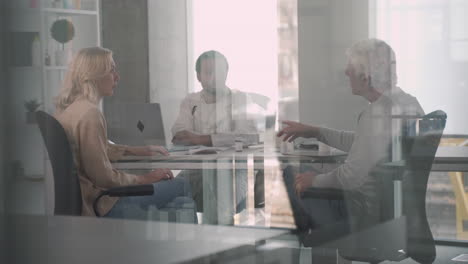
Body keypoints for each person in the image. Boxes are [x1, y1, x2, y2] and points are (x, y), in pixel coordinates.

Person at [278, 39, 424, 232]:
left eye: (350, 67)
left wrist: (313, 180)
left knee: (291, 174)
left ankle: (304, 248)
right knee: (304, 174)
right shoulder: (407, 103)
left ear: (366, 75)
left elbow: (351, 177)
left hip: (363, 214)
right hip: (391, 211)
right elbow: (365, 144)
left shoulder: (378, 113)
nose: (346, 72)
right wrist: (315, 131)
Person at [54, 47, 193, 219]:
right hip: (103, 204)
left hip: (89, 201)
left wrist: (133, 150)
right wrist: (145, 178)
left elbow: (94, 150)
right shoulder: (91, 114)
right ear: (94, 75)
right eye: (112, 70)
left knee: (180, 204)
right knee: (183, 185)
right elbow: (103, 177)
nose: (117, 77)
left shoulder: (72, 110)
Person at [171, 50, 264, 214]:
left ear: (227, 73)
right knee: (168, 196)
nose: (215, 77)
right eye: (208, 72)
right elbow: (179, 132)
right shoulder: (190, 101)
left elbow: (248, 136)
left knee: (221, 206)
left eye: (220, 71)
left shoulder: (240, 99)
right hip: (196, 168)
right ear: (198, 76)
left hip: (234, 170)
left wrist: (201, 139)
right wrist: (218, 139)